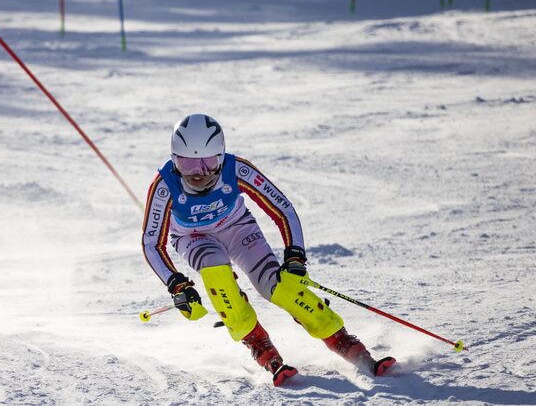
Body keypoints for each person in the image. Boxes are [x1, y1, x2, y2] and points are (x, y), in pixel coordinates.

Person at [141, 113, 395, 386]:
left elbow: (283, 208)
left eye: (208, 162)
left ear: (221, 156)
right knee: (217, 275)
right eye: (187, 163)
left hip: (238, 228)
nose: (198, 173)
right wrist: (177, 285)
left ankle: (341, 339)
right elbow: (151, 242)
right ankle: (259, 346)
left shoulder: (236, 169)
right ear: (173, 159)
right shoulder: (164, 185)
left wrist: (295, 256)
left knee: (279, 286)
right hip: (194, 238)